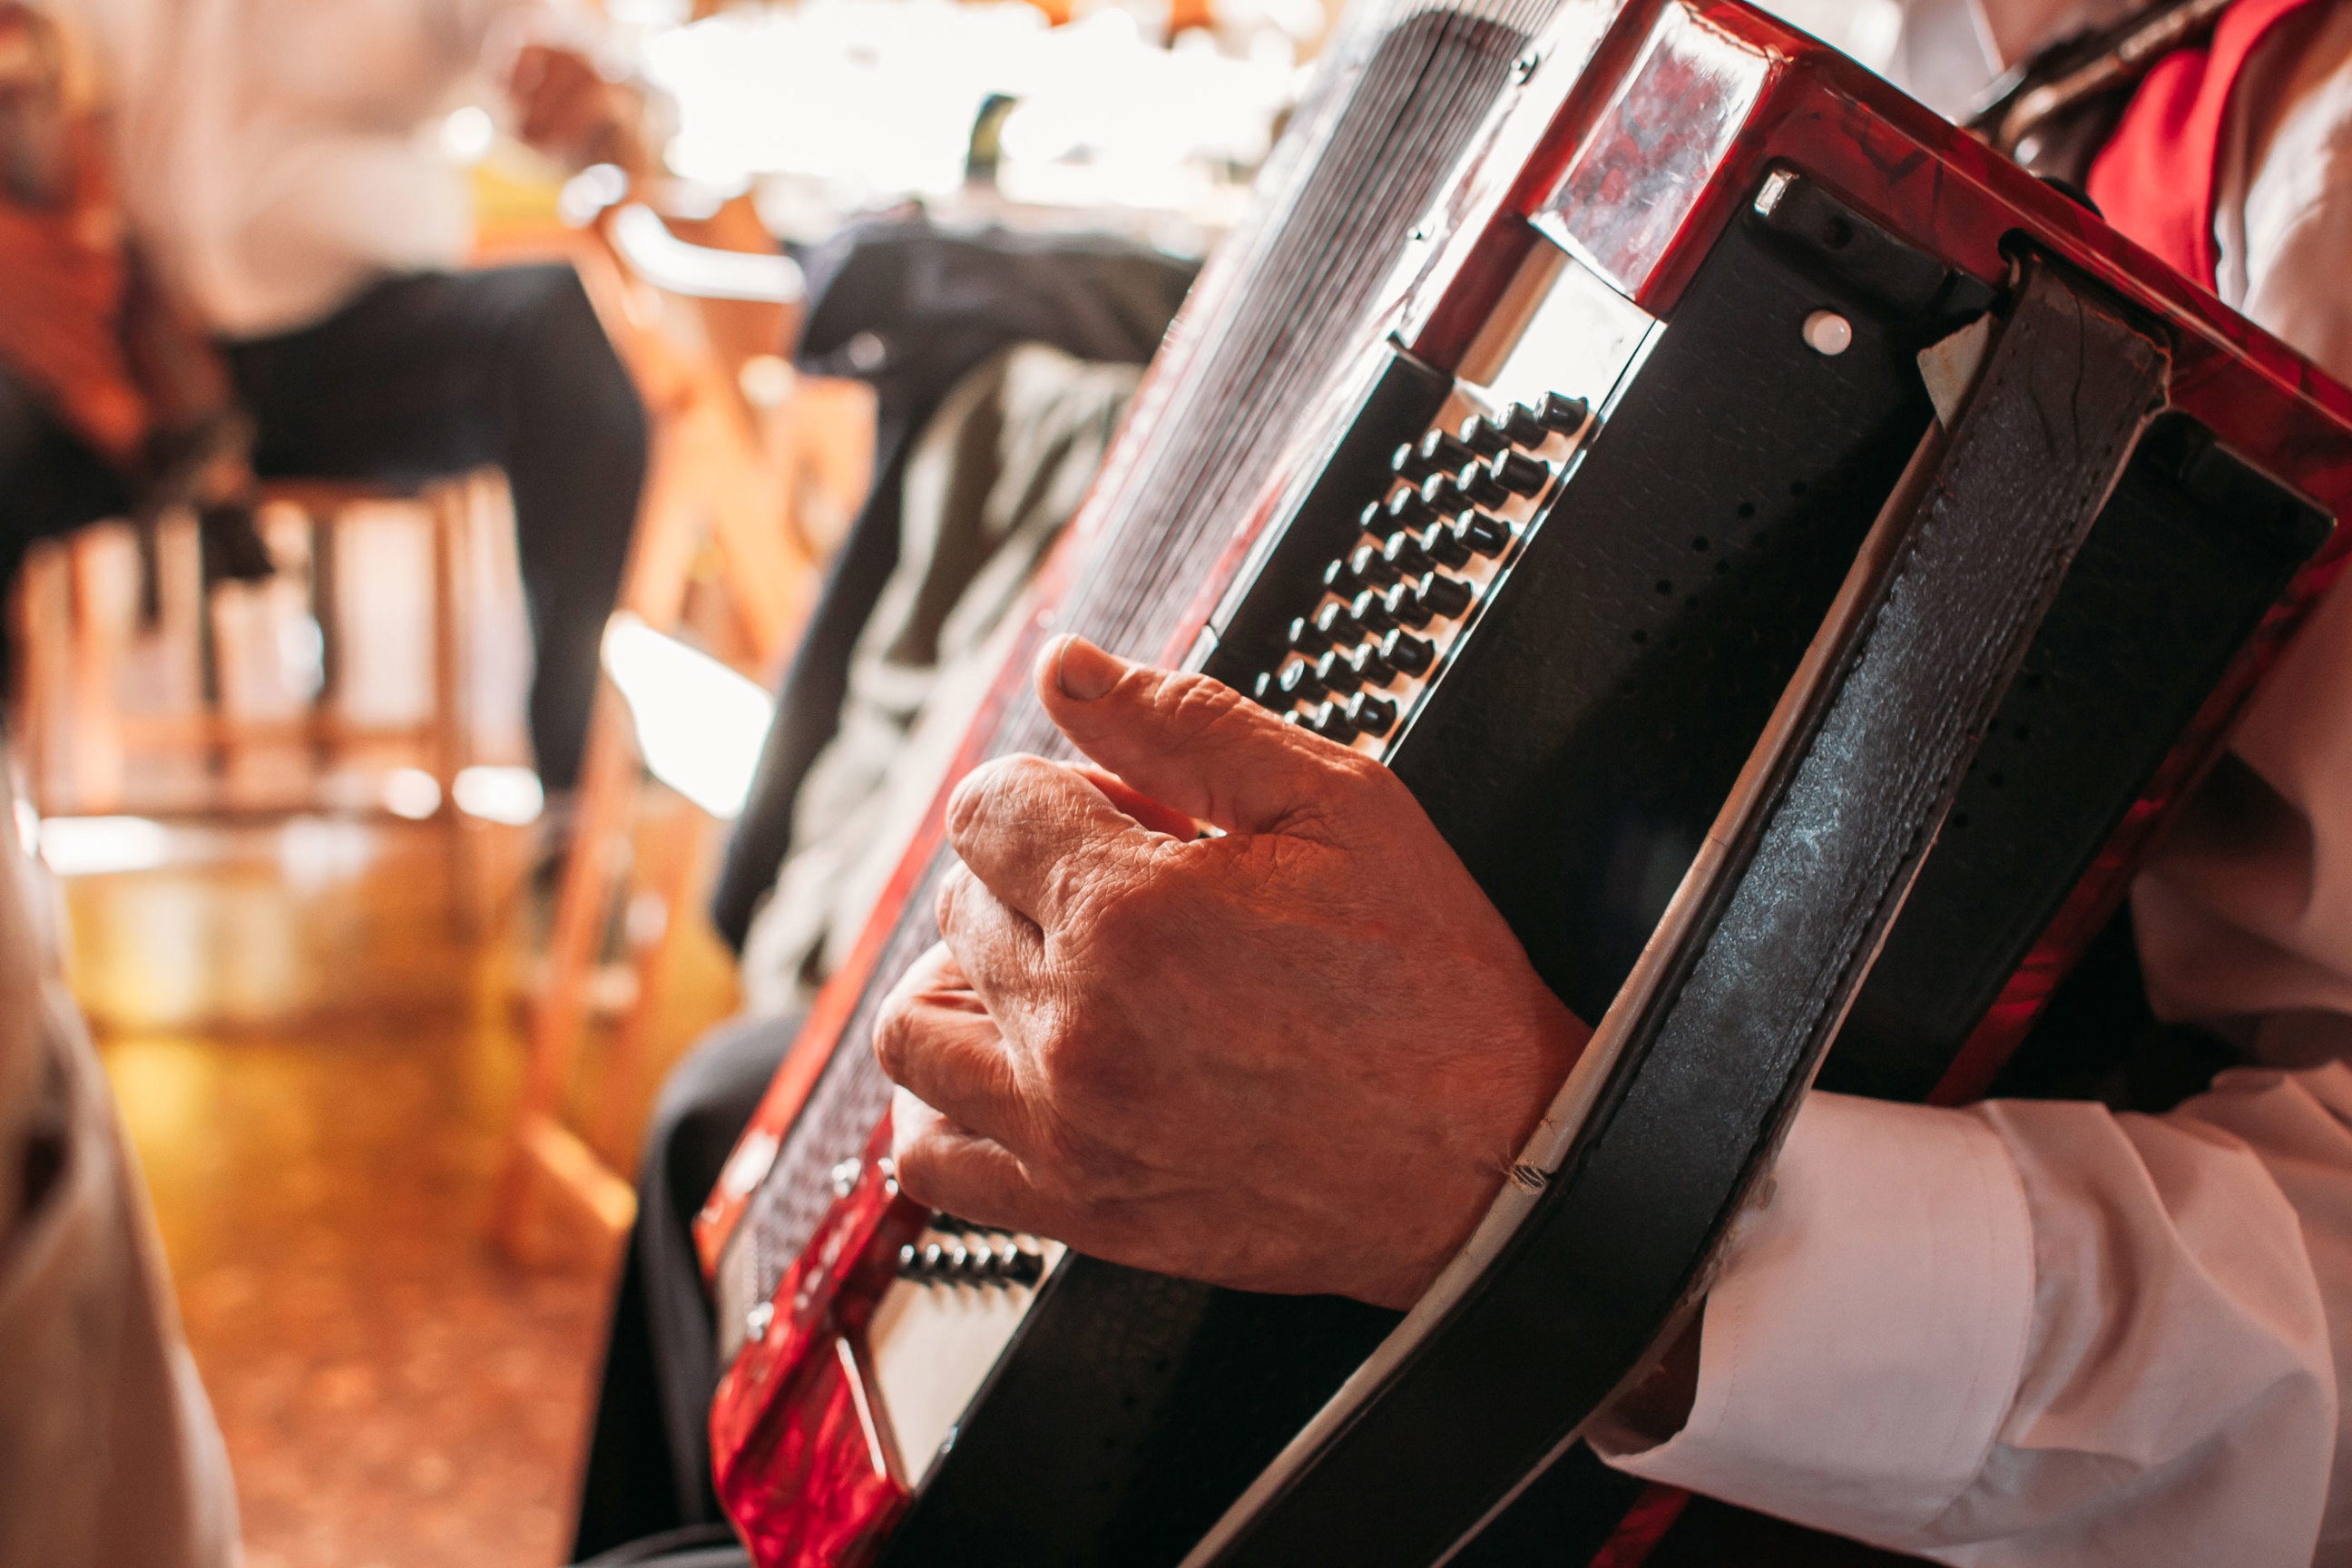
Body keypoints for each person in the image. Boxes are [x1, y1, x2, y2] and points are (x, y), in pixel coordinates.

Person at [868, 1, 2352, 1564]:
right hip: (1319, 1195)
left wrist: (1521, 1189)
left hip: (1791, 1449)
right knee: (721, 1135)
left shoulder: (2310, 163)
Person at [54, 0, 656, 794]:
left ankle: (576, 794)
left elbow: (550, 37)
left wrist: (576, 79)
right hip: (123, 348)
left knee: (561, 335)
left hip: (354, 337)